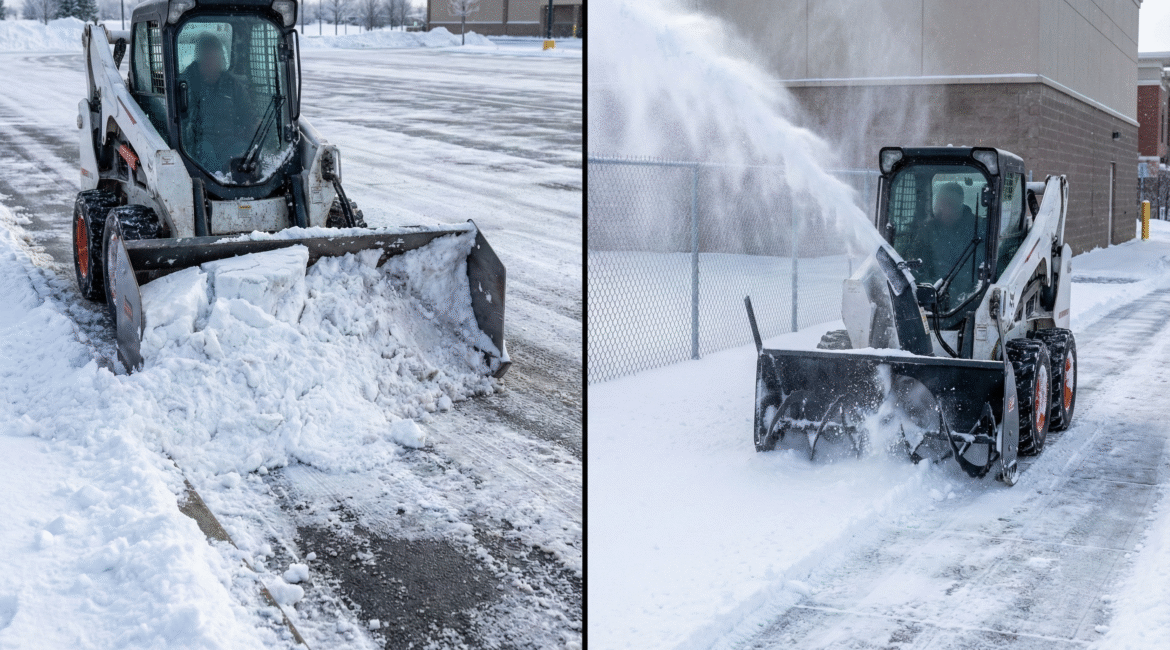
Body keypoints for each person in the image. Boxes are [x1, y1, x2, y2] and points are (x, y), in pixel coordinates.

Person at [180, 33, 257, 173]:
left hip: (229, 141)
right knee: (206, 157)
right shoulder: (185, 84)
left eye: (215, 58)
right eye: (207, 58)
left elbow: (248, 117)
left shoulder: (233, 86)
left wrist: (253, 128)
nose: (211, 63)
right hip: (197, 143)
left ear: (221, 59)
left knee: (245, 158)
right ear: (199, 59)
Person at [905, 181, 980, 299]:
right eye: (938, 202)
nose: (939, 208)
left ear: (958, 207)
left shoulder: (977, 229)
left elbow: (974, 274)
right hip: (933, 295)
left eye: (947, 204)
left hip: (965, 298)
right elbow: (914, 264)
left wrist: (954, 290)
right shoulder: (927, 230)